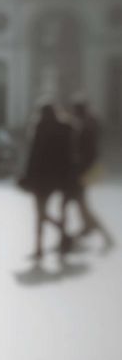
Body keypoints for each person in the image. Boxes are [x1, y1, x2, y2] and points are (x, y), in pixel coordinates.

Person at [18, 103, 78, 260]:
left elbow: (33, 156)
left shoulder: (39, 128)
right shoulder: (65, 128)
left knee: (40, 214)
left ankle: (40, 247)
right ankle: (63, 239)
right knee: (60, 211)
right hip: (59, 177)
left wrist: (27, 175)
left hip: (41, 178)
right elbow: (69, 155)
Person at [62, 100, 115, 251]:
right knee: (81, 206)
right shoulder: (88, 127)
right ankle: (86, 231)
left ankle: (97, 233)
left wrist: (78, 169)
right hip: (82, 173)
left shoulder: (84, 129)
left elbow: (86, 154)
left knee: (81, 206)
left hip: (79, 174)